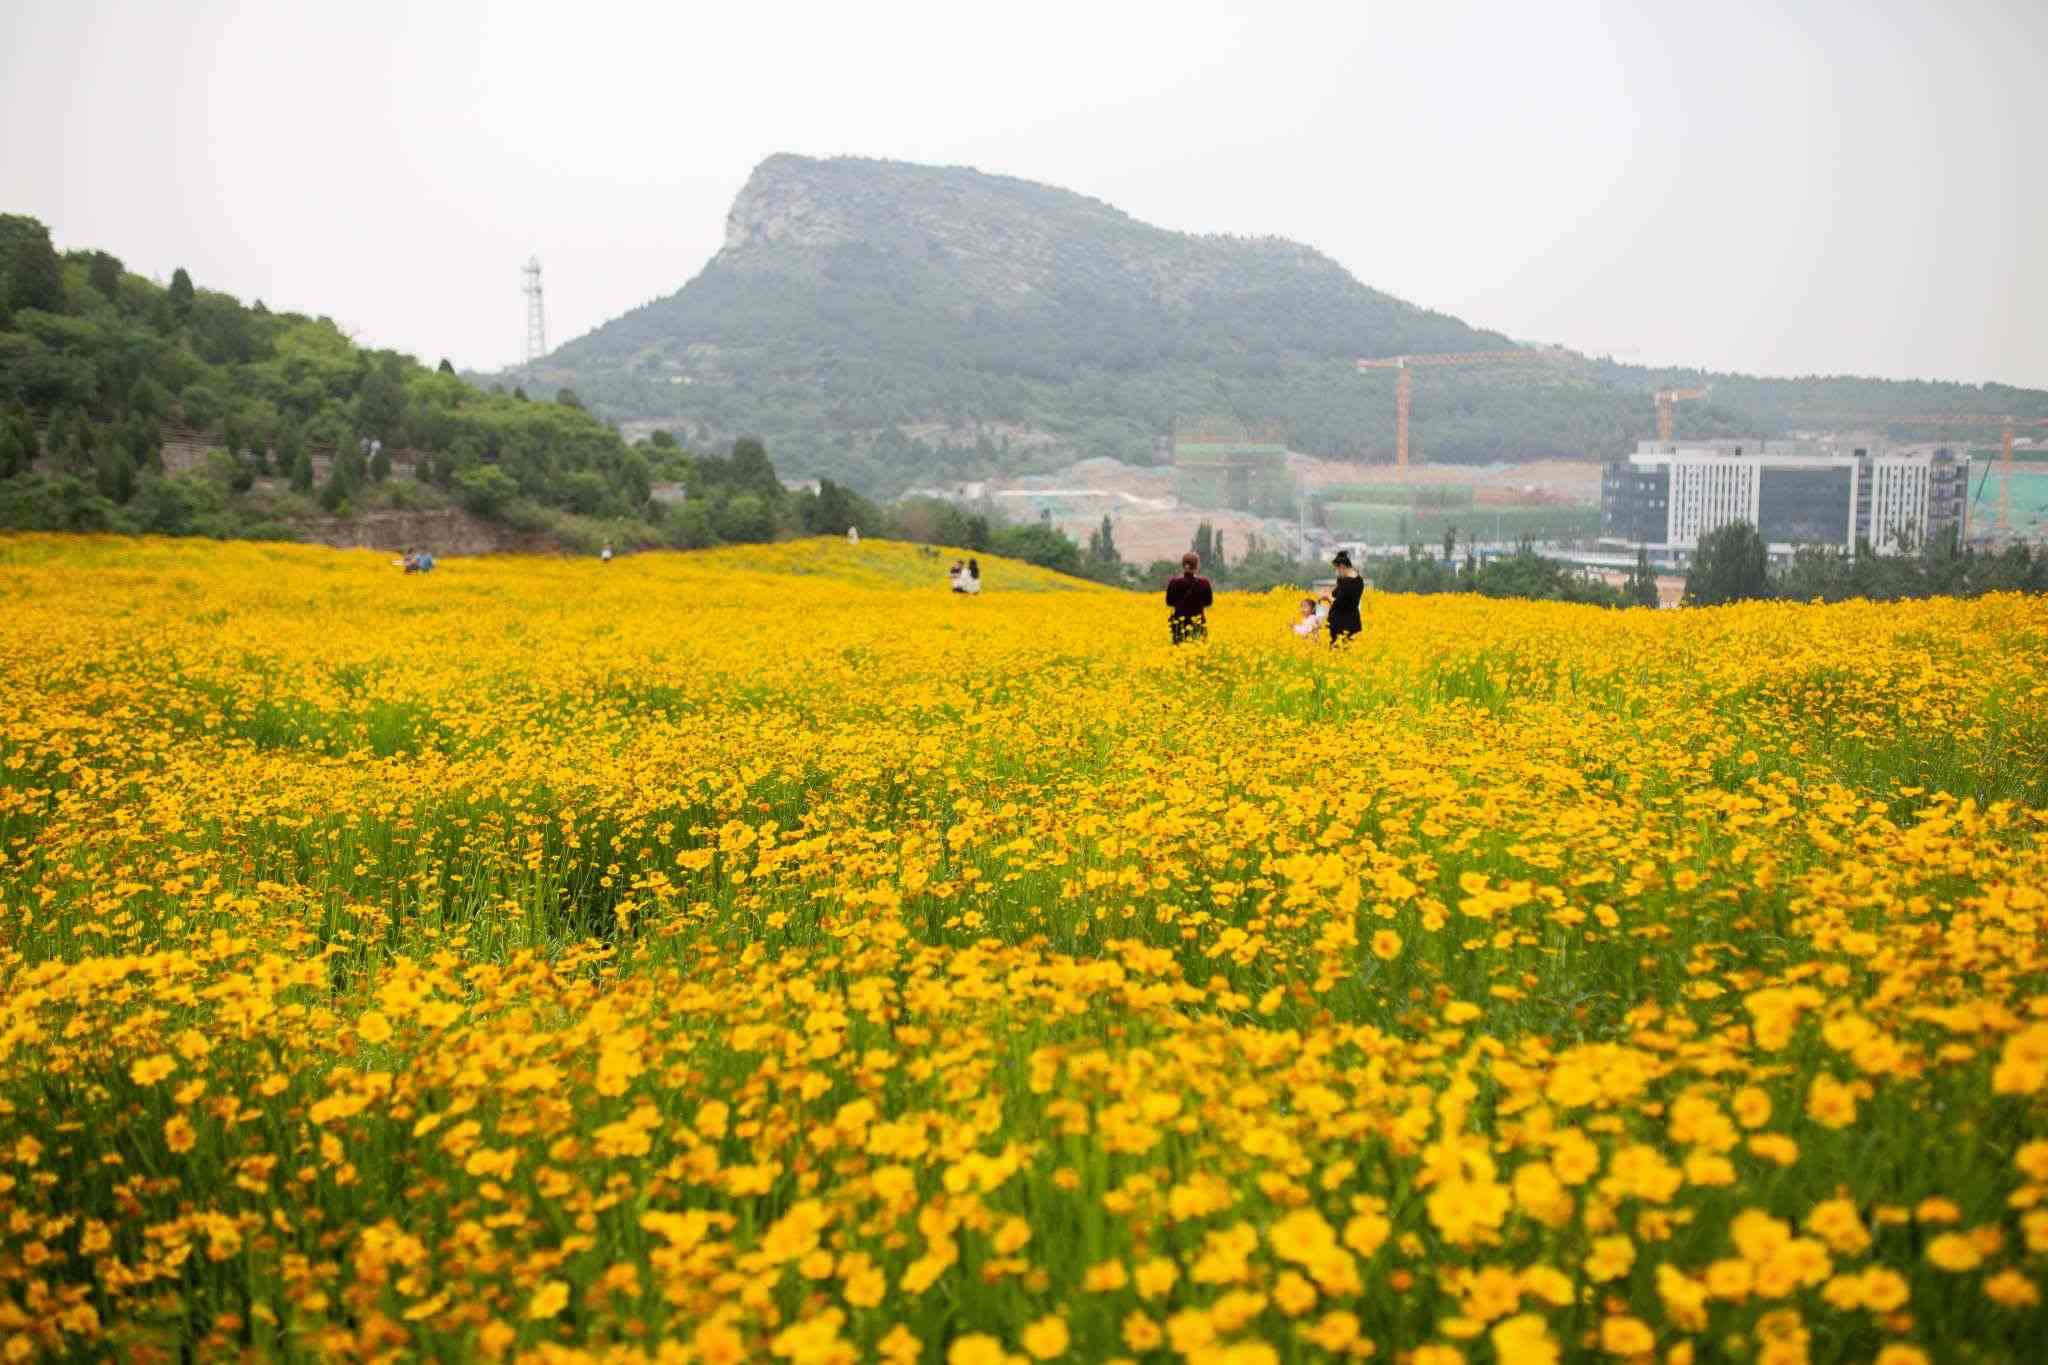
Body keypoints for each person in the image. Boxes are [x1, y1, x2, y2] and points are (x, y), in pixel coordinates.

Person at [1165, 551, 1213, 644]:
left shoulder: (1174, 582)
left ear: (1183, 565)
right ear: (1197, 566)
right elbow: (1208, 602)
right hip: (1198, 623)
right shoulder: (1204, 583)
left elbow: (1169, 602)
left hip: (1179, 625)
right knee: (1198, 649)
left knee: (1179, 650)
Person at [1327, 550, 1363, 645]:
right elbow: (1335, 593)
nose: (1336, 572)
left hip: (1343, 625)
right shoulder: (1357, 580)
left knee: (1340, 650)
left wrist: (1327, 598)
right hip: (1351, 622)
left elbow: (1339, 603)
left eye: (1337, 569)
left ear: (1342, 567)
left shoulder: (1348, 583)